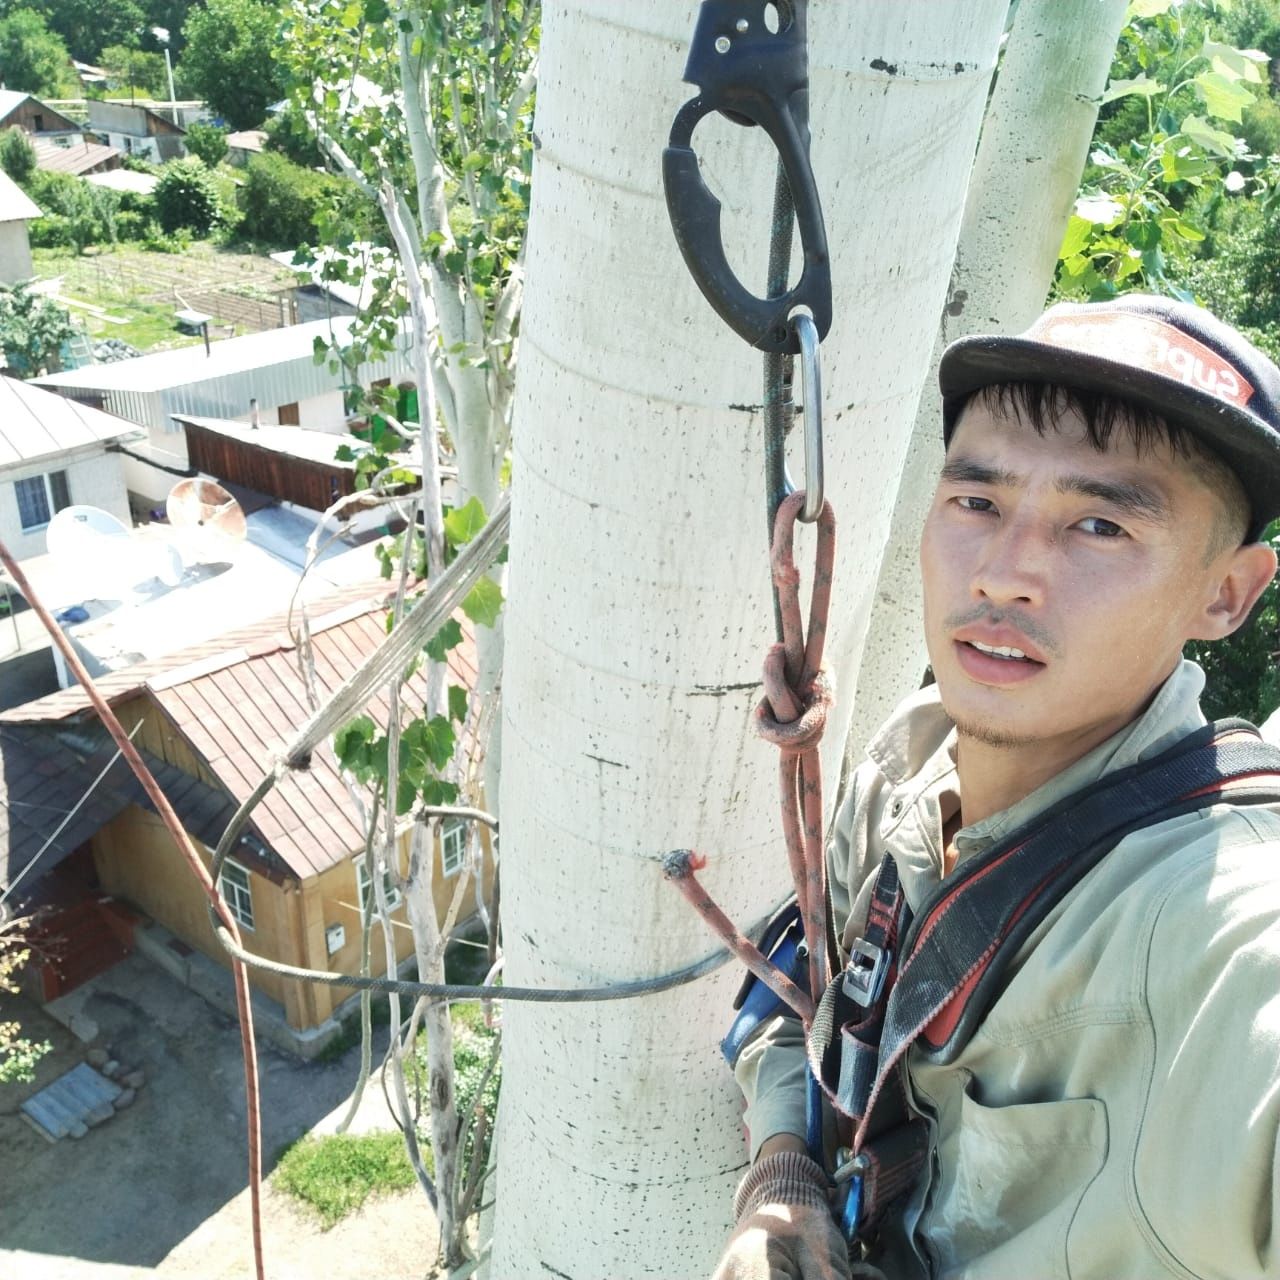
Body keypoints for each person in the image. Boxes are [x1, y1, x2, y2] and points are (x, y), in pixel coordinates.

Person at [713, 294, 1280, 1279]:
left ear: (1223, 592)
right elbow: (802, 997)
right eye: (976, 501)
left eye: (1099, 523)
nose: (1005, 573)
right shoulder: (904, 769)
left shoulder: (1218, 931)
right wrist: (781, 1172)